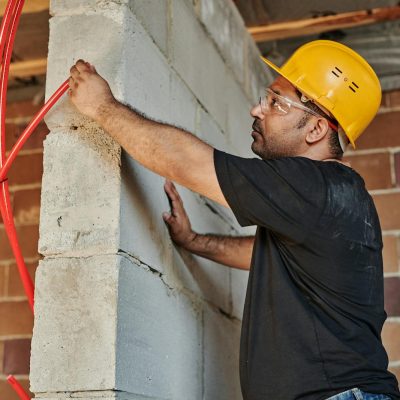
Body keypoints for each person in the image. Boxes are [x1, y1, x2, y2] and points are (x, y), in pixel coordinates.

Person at [68, 40, 400, 400]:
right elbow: (265, 253)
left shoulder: (314, 186)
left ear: (316, 130)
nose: (257, 109)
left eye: (276, 102)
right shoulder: (335, 197)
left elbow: (189, 163)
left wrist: (102, 107)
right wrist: (195, 241)